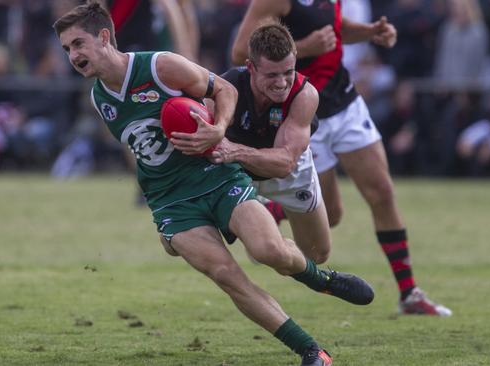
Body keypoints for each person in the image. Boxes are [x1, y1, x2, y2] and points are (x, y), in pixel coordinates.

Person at [53, 2, 373, 365]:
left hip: (215, 175)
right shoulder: (99, 98)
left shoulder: (158, 66)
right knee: (227, 275)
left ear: (104, 37)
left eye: (78, 44)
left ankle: (321, 280)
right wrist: (164, 222)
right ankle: (312, 351)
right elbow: (143, 151)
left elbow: (226, 90)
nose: (73, 55)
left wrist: (217, 130)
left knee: (270, 251)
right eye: (67, 49)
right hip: (171, 201)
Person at [231, 0, 452, 316]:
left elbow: (333, 29)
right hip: (305, 113)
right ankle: (269, 214)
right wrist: (304, 48)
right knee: (330, 216)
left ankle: (409, 293)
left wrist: (369, 32)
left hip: (345, 100)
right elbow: (241, 54)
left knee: (382, 193)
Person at [213, 22, 333, 266]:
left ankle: (271, 211)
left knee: (316, 254)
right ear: (251, 68)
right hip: (237, 172)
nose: (281, 83)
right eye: (271, 75)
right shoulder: (227, 87)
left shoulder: (305, 95)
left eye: (288, 72)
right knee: (264, 253)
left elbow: (285, 163)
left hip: (285, 172)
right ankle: (257, 215)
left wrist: (236, 151)